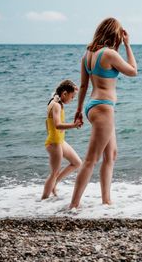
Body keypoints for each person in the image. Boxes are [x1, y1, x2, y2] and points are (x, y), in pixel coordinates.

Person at [69, 17, 137, 209]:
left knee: (111, 154)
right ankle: (73, 205)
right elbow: (133, 71)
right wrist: (128, 45)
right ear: (113, 35)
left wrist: (79, 110)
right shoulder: (109, 54)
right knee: (91, 159)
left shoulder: (88, 55)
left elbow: (83, 85)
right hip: (104, 109)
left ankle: (106, 201)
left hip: (93, 106)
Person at [42, 79, 83, 200]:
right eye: (72, 96)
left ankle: (55, 184)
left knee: (77, 163)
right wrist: (74, 125)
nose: (73, 99)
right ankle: (43, 200)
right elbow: (57, 125)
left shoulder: (56, 102)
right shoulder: (56, 105)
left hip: (59, 141)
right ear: (64, 93)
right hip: (54, 143)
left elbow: (47, 123)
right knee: (53, 173)